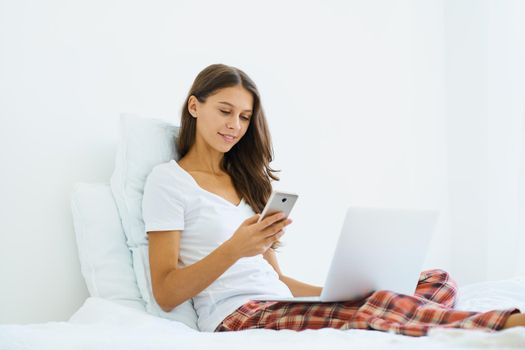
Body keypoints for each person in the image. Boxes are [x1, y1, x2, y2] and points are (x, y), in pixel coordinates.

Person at [142, 63, 525, 336]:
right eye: (225, 111)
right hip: (240, 315)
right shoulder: (169, 182)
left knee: (433, 279)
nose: (235, 126)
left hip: (278, 303)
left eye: (244, 117)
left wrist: (343, 294)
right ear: (195, 107)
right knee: (385, 304)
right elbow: (166, 293)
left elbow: (278, 282)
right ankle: (506, 322)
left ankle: (391, 311)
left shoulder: (246, 182)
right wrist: (234, 249)